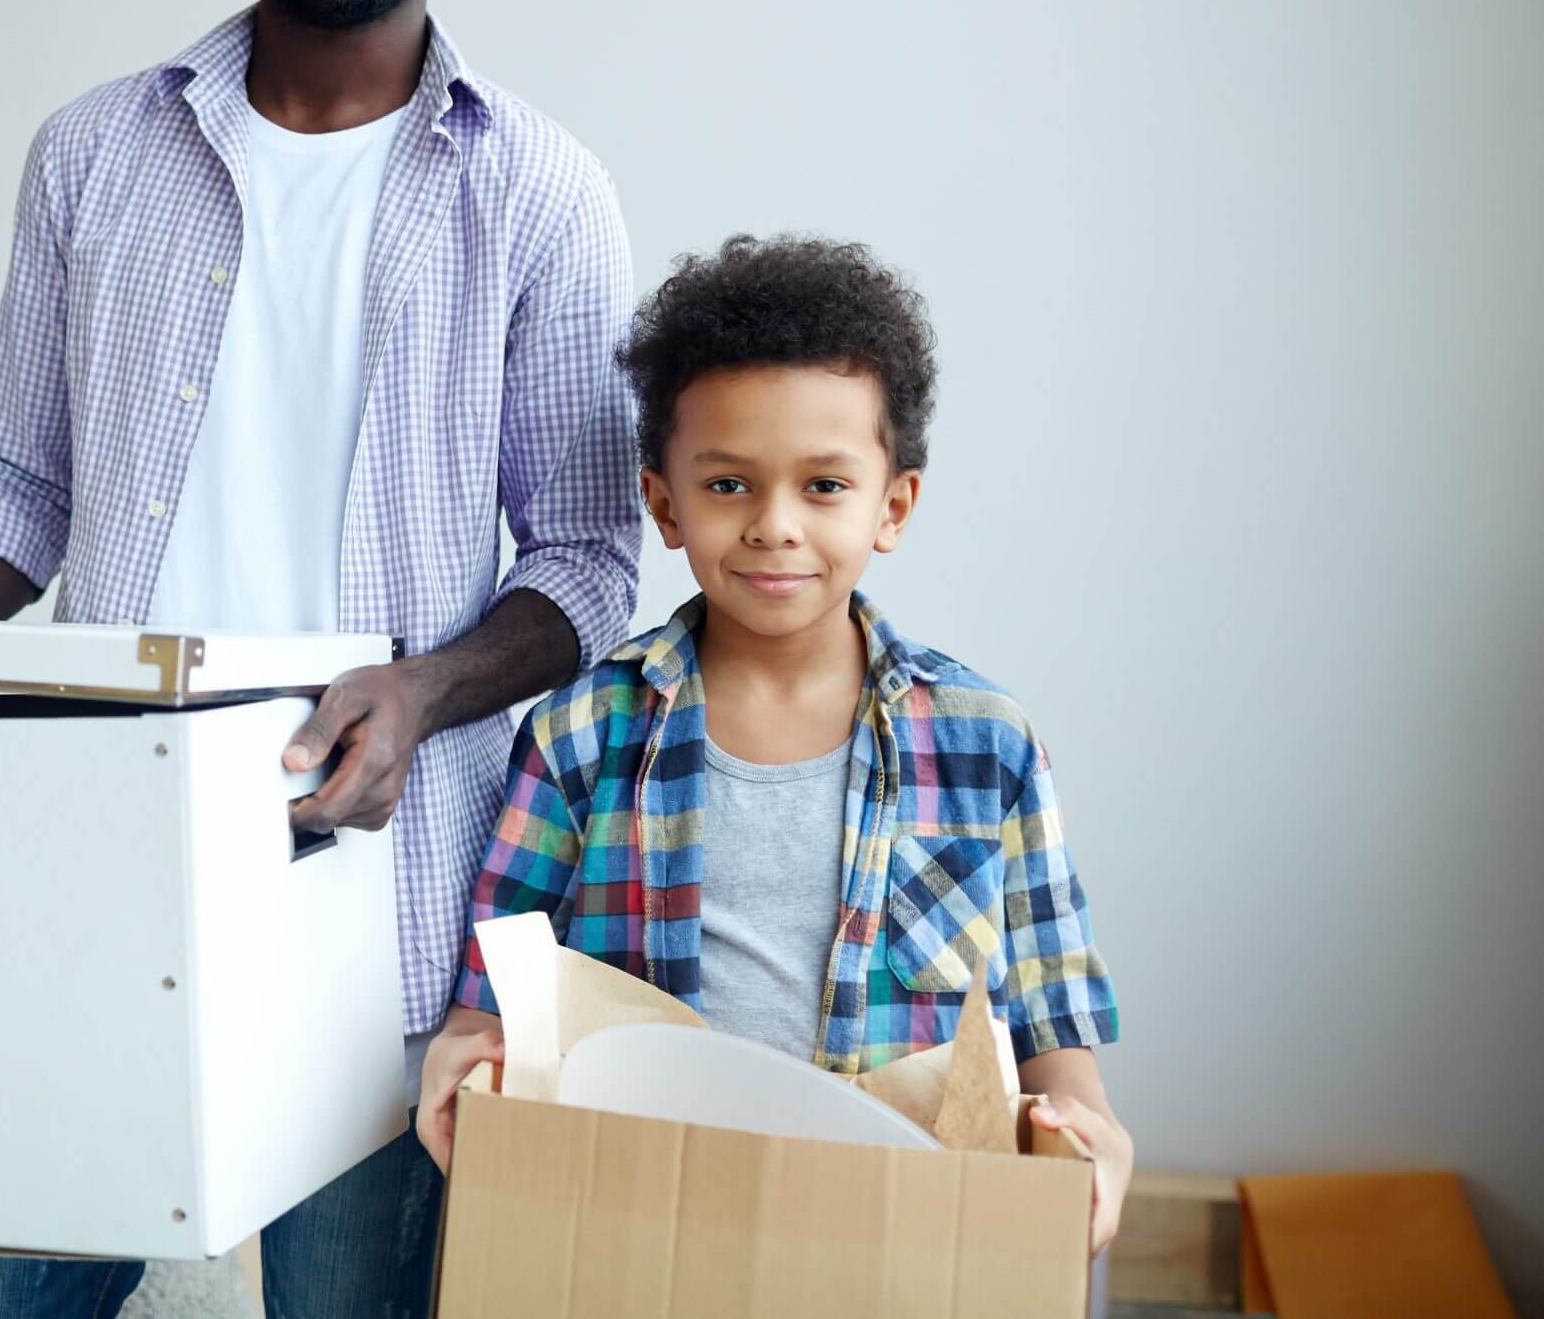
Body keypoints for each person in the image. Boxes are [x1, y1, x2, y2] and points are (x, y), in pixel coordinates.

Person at [0, 0, 639, 1319]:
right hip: (99, 848)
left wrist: (421, 694)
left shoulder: (541, 191)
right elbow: (17, 487)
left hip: (380, 892)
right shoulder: (94, 153)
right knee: (3, 1292)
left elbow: (582, 564)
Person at [419, 234, 1133, 1255]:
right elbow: (495, 1009)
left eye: (824, 487)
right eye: (727, 486)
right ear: (662, 503)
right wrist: (467, 1067)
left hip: (898, 1235)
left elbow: (1057, 1046)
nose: (774, 525)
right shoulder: (580, 735)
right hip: (643, 1227)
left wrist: (1093, 1144)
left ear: (894, 506)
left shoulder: (990, 748)